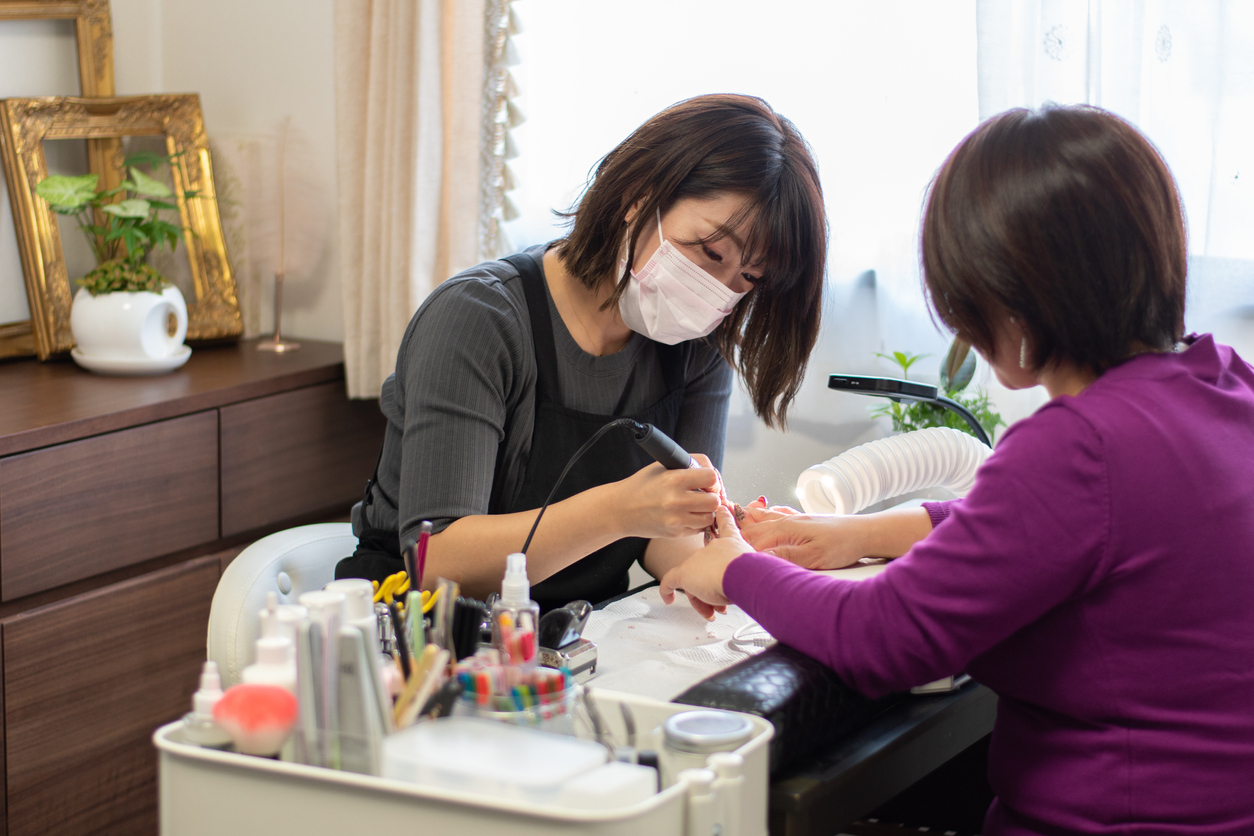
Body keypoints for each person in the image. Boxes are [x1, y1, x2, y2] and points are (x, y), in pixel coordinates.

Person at [661, 104, 1254, 834]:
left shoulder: (1082, 446)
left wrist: (733, 568)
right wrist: (857, 535)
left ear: (1010, 290)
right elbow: (1054, 530)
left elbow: (879, 639)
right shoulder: (1223, 382)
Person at [337, 94, 827, 611]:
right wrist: (617, 510)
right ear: (639, 197)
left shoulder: (698, 343)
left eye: (748, 278)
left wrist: (718, 559)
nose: (718, 290)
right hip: (415, 633)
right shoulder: (480, 319)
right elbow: (440, 563)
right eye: (709, 251)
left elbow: (670, 530)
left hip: (574, 631)